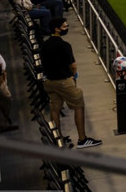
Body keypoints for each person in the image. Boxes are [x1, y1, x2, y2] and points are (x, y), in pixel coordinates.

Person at [39, 18, 102, 148]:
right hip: (63, 81)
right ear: (57, 29)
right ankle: (82, 139)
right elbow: (73, 66)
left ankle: (58, 138)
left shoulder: (44, 45)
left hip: (49, 82)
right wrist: (74, 77)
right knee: (79, 106)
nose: (66, 28)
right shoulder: (64, 45)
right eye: (64, 26)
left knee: (55, 109)